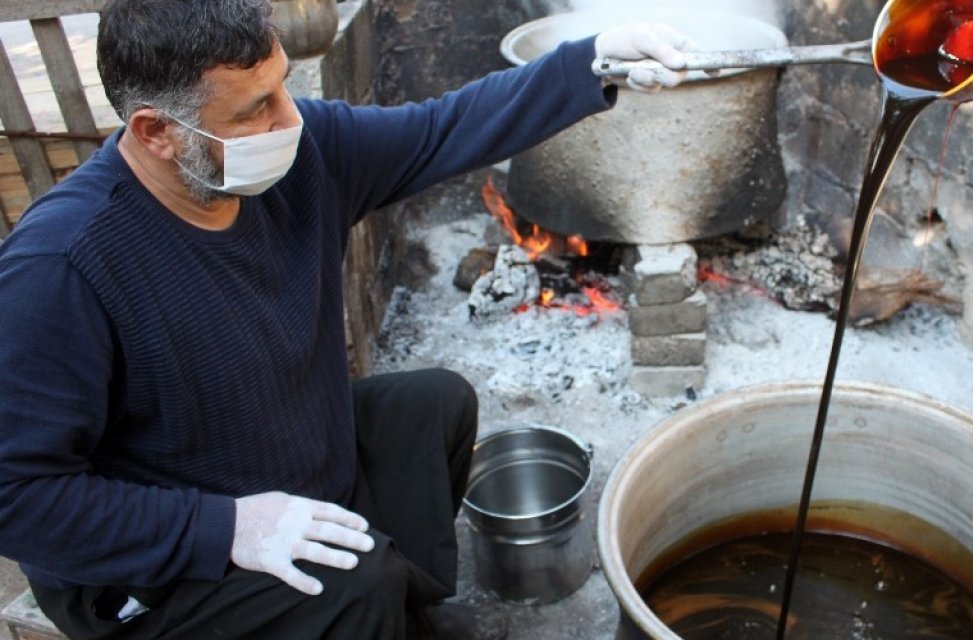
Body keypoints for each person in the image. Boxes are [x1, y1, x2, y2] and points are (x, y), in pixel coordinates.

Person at [0, 1, 692, 638]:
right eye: (256, 108)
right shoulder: (63, 268)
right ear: (156, 132)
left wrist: (588, 61)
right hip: (164, 569)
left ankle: (397, 614)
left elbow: (441, 128)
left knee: (433, 406)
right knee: (356, 584)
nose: (289, 120)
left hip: (282, 464)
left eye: (282, 87)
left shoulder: (303, 154)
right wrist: (226, 528)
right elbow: (16, 497)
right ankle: (370, 604)